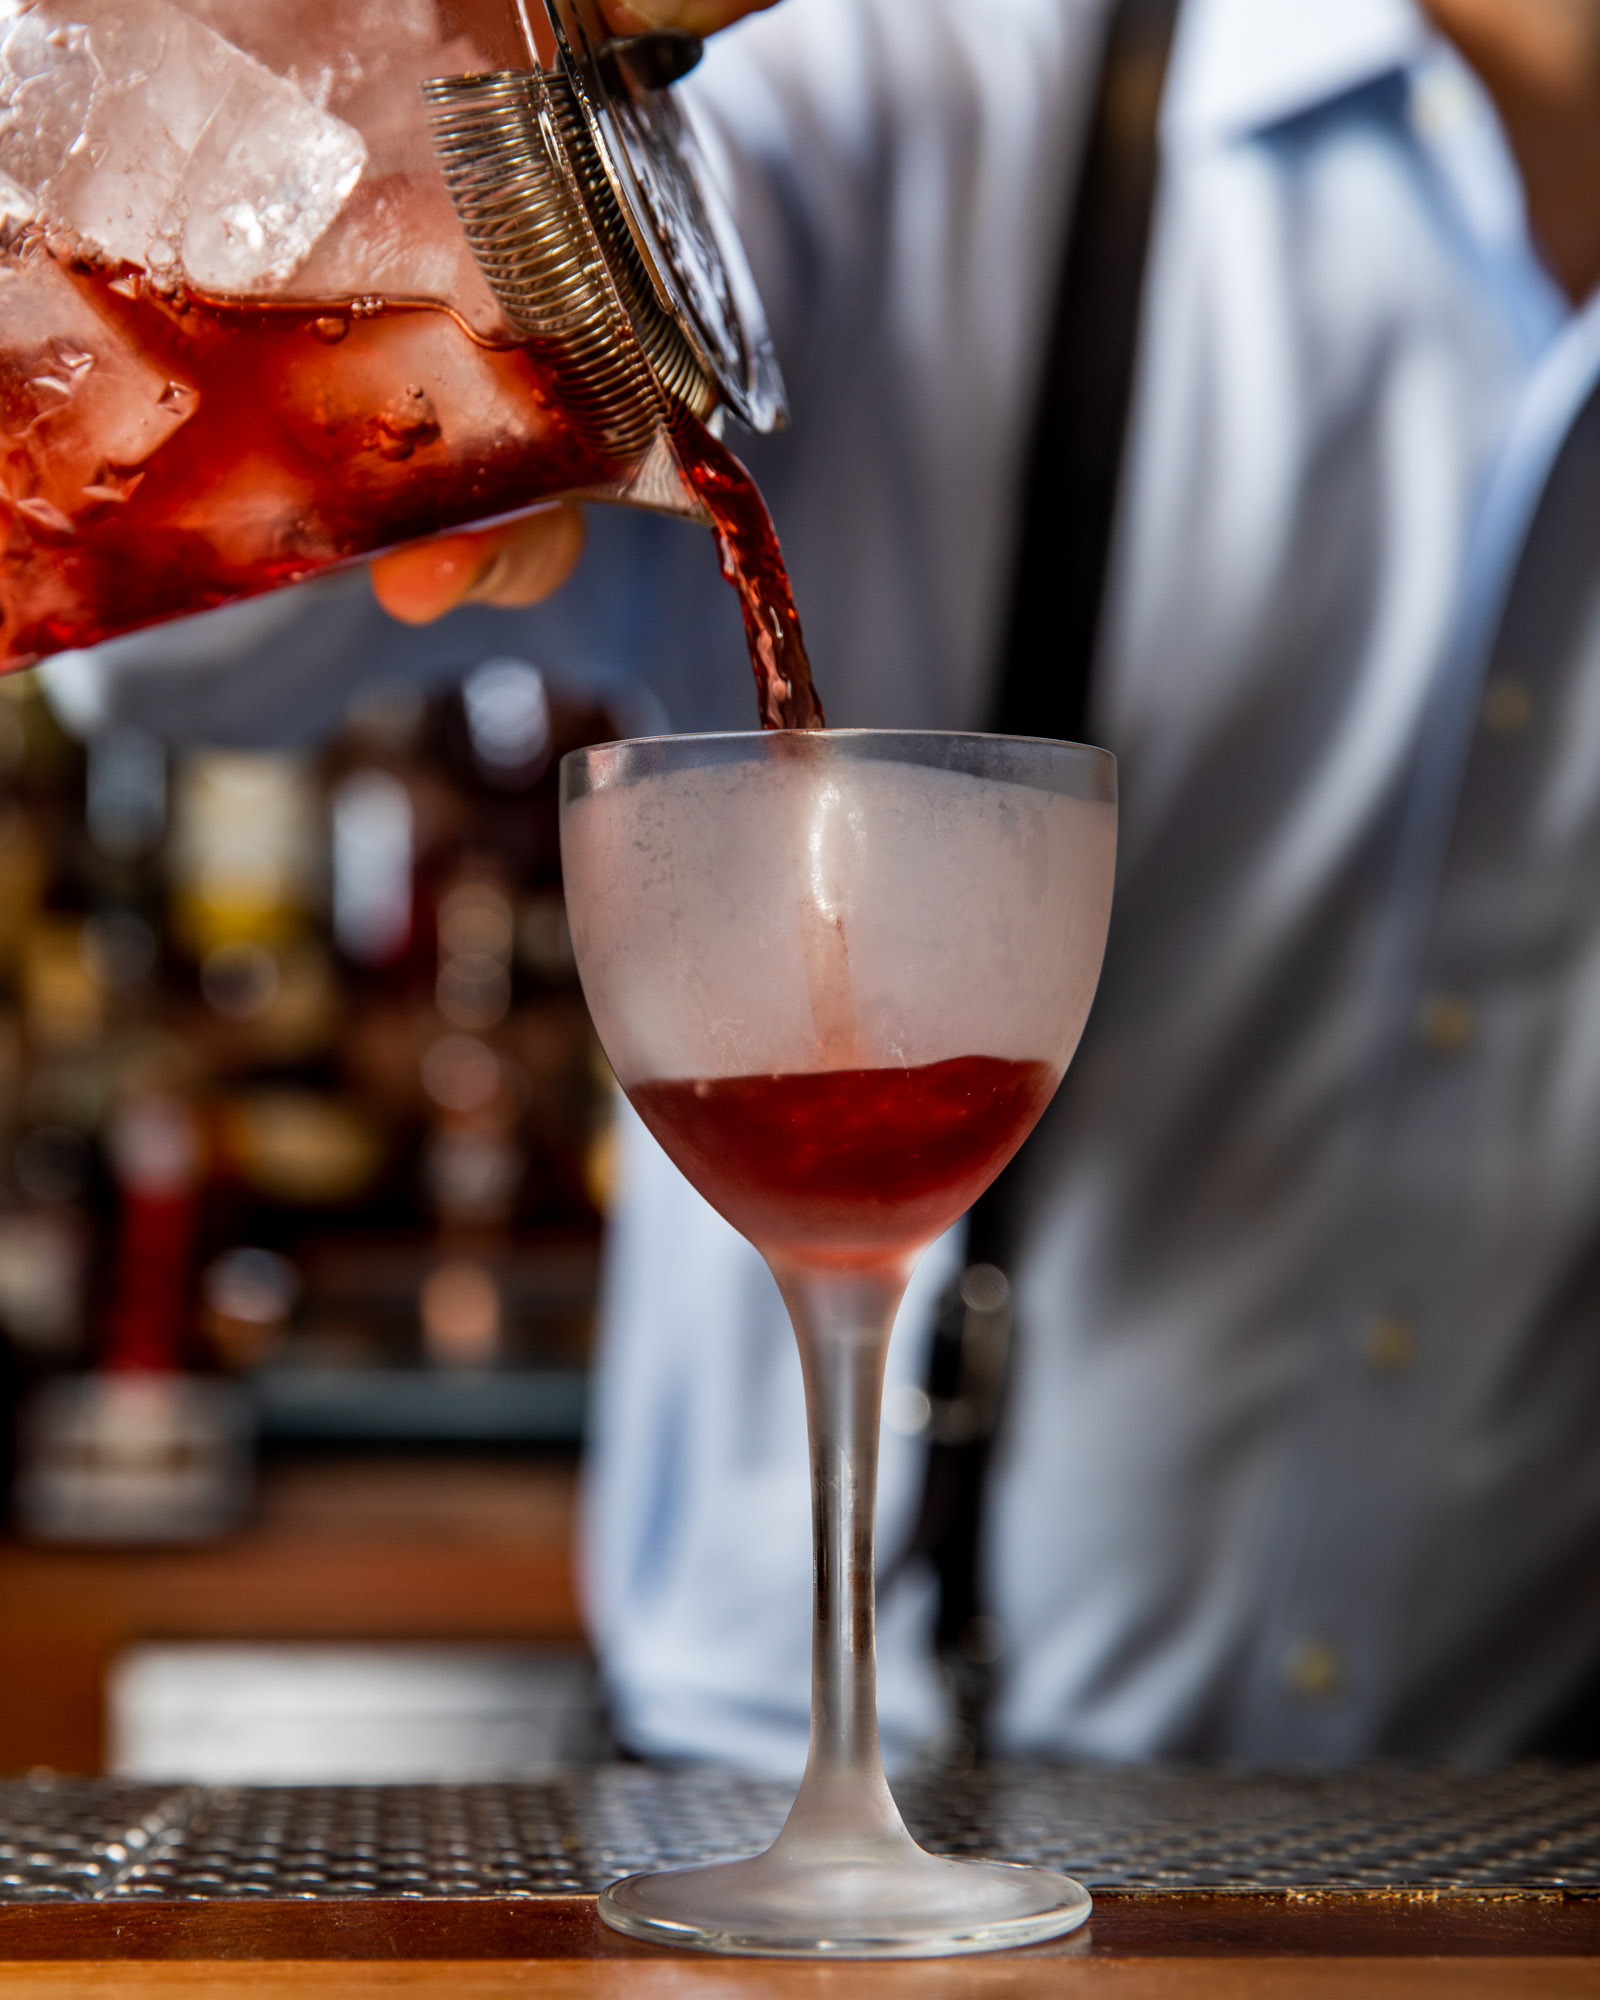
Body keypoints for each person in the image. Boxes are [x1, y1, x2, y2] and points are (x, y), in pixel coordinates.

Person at [55, 0, 1600, 1769]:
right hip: (782, 1817)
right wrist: (421, 113)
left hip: (1531, 1852)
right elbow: (155, 642)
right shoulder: (912, 84)